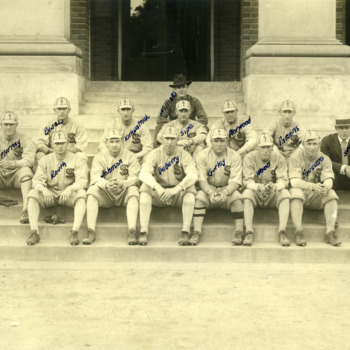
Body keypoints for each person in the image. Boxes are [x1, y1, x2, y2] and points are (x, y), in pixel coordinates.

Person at [27, 131, 88, 246]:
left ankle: (74, 231)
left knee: (81, 194)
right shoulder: (45, 160)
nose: (60, 146)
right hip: (50, 193)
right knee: (33, 194)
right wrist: (44, 190)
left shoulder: (76, 159)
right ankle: (34, 232)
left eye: (63, 143)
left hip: (68, 194)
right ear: (52, 145)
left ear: (68, 144)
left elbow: (83, 181)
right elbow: (36, 181)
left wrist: (70, 189)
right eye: (57, 143)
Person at [139, 126, 198, 246]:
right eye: (167, 138)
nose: (169, 142)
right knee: (145, 188)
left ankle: (185, 231)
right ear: (161, 139)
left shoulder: (184, 154)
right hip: (159, 193)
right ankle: (143, 231)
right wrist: (158, 188)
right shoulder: (154, 154)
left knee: (191, 189)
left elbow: (193, 175)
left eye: (173, 139)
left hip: (177, 193)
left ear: (178, 140)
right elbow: (143, 174)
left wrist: (177, 189)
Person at [86, 129, 140, 245]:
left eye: (117, 141)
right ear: (106, 143)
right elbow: (95, 176)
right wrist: (106, 184)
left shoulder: (130, 156)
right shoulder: (99, 157)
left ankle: (132, 230)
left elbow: (135, 177)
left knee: (134, 190)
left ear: (122, 142)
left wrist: (123, 183)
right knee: (92, 191)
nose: (114, 144)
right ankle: (91, 230)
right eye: (111, 141)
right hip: (107, 193)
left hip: (123, 191)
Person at [193, 129, 244, 246]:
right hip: (209, 189)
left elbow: (236, 180)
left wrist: (225, 192)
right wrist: (210, 192)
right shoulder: (202, 155)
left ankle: (239, 231)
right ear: (211, 141)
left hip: (227, 189)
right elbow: (201, 179)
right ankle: (196, 231)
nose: (219, 144)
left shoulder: (234, 155)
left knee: (237, 197)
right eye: (216, 140)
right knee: (200, 197)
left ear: (227, 141)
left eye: (222, 140)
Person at [289, 131, 340, 246]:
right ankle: (298, 231)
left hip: (315, 194)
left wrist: (325, 186)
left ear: (319, 144)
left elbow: (329, 179)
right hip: (301, 191)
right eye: (309, 144)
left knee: (331, 194)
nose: (312, 147)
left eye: (315, 144)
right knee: (295, 193)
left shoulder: (324, 158)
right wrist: (313, 186)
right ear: (303, 144)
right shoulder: (295, 157)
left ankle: (330, 232)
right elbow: (294, 181)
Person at [242, 134, 291, 246]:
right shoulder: (249, 157)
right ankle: (249, 231)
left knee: (285, 194)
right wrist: (258, 187)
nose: (265, 150)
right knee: (247, 194)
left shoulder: (279, 158)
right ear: (257, 147)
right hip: (256, 192)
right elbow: (246, 181)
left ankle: (282, 231)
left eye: (268, 147)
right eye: (262, 147)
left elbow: (283, 181)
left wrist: (275, 186)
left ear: (272, 147)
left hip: (272, 192)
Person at [0, 111, 35, 223]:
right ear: (1, 124)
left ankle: (25, 209)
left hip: (16, 174)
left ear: (17, 124)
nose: (8, 127)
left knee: (26, 171)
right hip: (1, 174)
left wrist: (13, 164)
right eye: (6, 124)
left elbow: (29, 160)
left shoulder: (25, 138)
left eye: (11, 124)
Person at [154, 74, 208, 146]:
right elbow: (160, 118)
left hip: (191, 129)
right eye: (178, 87)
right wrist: (175, 124)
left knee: (204, 127)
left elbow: (203, 118)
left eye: (183, 86)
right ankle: (156, 149)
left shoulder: (194, 101)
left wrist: (192, 124)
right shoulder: (169, 102)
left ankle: (206, 150)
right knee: (159, 126)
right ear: (175, 89)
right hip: (173, 128)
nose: (181, 89)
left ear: (187, 87)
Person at [35, 97, 88, 167]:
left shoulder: (78, 125)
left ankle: (80, 178)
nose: (62, 111)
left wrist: (66, 152)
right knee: (39, 156)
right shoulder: (48, 124)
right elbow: (40, 143)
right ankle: (40, 177)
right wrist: (50, 151)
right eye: (59, 108)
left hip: (71, 155)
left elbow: (81, 146)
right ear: (55, 110)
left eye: (64, 109)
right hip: (52, 154)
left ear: (69, 110)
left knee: (82, 156)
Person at [320, 116, 350, 190]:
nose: (344, 131)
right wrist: (344, 168)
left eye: (347, 128)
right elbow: (325, 160)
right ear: (336, 129)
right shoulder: (327, 140)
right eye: (341, 128)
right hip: (335, 175)